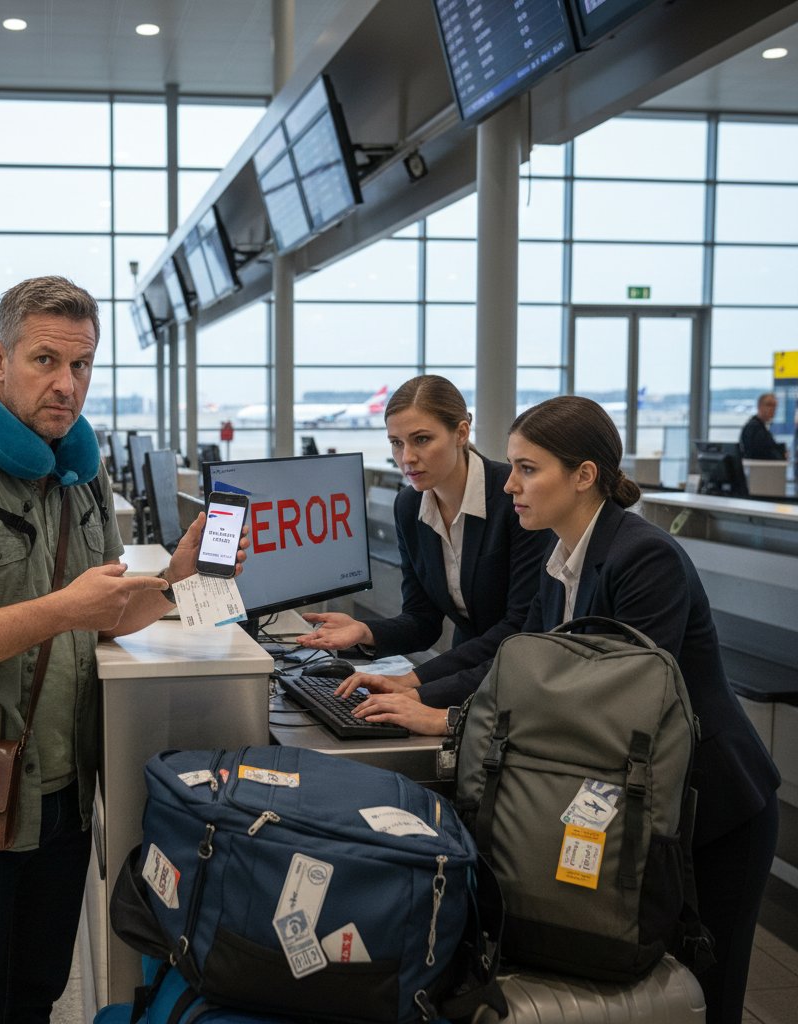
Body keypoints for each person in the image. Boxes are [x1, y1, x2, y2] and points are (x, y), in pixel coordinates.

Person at [0, 276, 245, 1024]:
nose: (66, 384)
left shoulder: (78, 471)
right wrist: (61, 609)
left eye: (81, 365)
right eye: (45, 360)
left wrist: (175, 581)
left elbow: (101, 617)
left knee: (34, 992)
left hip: (64, 790)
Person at [458, 394, 772, 1024]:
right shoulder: (559, 559)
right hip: (641, 799)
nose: (510, 485)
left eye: (527, 469)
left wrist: (449, 721)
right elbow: (523, 672)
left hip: (713, 810)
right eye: (512, 467)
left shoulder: (643, 557)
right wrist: (436, 702)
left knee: (710, 994)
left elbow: (608, 711)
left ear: (584, 475)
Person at [297, 375, 550, 717]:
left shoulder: (513, 498)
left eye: (421, 440)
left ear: (461, 433)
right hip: (466, 672)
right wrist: (365, 631)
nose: (407, 458)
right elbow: (422, 620)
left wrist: (413, 682)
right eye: (396, 443)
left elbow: (519, 627)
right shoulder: (409, 506)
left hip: (520, 678)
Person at [738, 392, 785, 460]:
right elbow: (763, 453)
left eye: (775, 406)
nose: (772, 409)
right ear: (759, 406)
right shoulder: (754, 428)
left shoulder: (760, 427)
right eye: (769, 405)